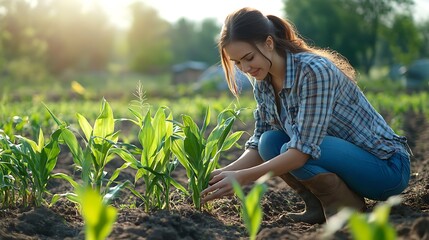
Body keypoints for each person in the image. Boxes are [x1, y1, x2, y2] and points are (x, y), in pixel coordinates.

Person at [200, 7, 412, 224]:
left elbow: (302, 151)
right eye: (237, 63)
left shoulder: (314, 71)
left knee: (290, 149)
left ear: (269, 43)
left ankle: (347, 208)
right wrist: (218, 175)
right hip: (341, 159)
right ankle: (319, 206)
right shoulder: (263, 82)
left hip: (386, 169)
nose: (245, 68)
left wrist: (242, 178)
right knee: (269, 142)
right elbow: (258, 145)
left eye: (249, 58)